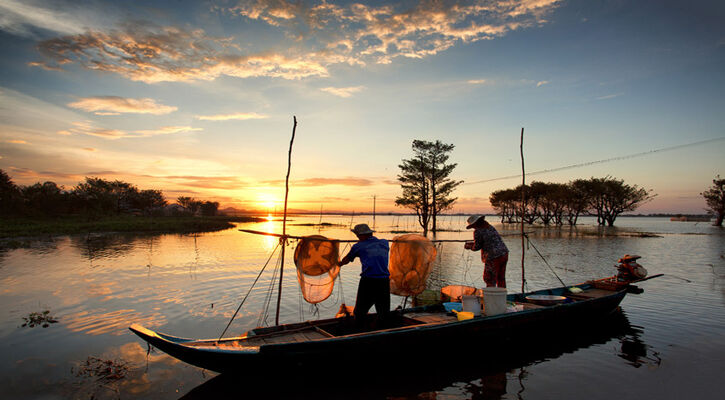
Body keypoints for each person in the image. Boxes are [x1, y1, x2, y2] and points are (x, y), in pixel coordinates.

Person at [339, 223, 390, 329]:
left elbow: (346, 260)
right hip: (384, 281)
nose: (357, 237)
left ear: (361, 235)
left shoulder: (358, 246)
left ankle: (359, 332)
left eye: (357, 235)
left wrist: (339, 264)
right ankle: (383, 330)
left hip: (369, 282)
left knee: (360, 311)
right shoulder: (384, 243)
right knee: (383, 311)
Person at [464, 215, 509, 288]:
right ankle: (502, 296)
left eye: (473, 226)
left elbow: (477, 247)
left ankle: (491, 297)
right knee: (501, 278)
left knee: (489, 278)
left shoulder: (477, 231)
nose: (473, 227)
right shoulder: (490, 227)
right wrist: (473, 244)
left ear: (475, 224)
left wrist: (469, 246)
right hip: (504, 253)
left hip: (493, 257)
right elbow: (487, 241)